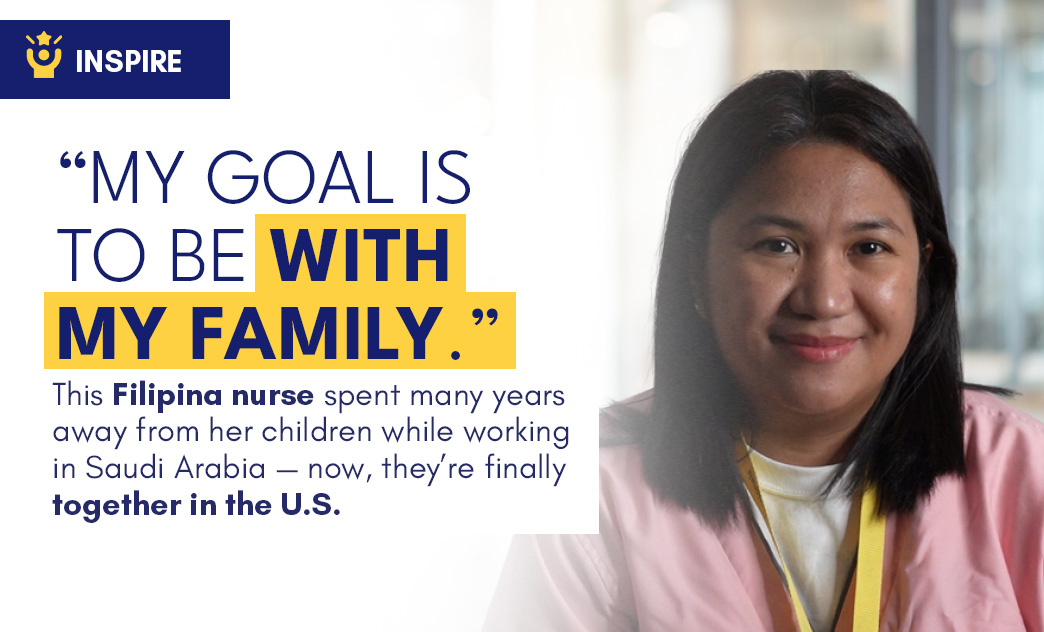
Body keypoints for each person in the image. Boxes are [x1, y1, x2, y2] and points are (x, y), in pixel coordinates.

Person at [483, 70, 1044, 631]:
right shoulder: (592, 489)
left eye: (869, 248)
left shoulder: (1023, 468)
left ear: (923, 270)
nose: (824, 300)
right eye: (777, 246)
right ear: (697, 270)